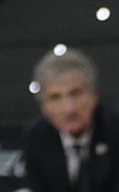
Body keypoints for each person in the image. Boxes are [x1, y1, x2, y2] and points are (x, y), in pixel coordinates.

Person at [23, 47, 119, 192]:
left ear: (94, 96)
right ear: (44, 107)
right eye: (55, 97)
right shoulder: (36, 137)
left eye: (76, 93)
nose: (69, 109)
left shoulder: (115, 130)